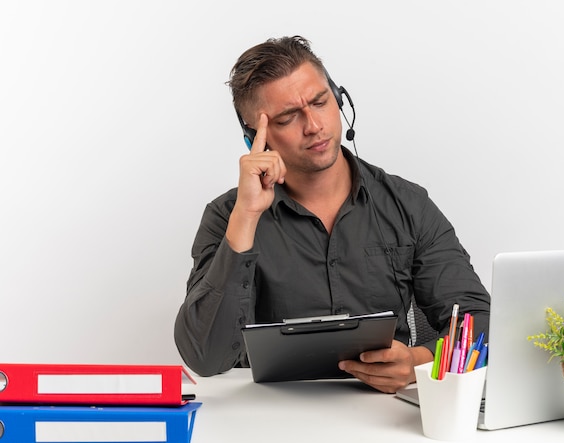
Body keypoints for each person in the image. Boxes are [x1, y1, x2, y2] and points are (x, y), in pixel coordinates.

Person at [174, 35, 490, 394]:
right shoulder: (228, 217)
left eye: (320, 102)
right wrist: (246, 217)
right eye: (288, 117)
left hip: (386, 412)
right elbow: (204, 357)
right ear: (254, 138)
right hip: (269, 415)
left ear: (339, 100)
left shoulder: (407, 204)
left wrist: (420, 360)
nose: (313, 125)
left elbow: (479, 321)